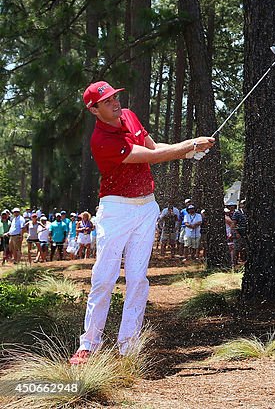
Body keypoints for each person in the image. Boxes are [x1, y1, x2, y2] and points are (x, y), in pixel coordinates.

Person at [70, 80, 215, 366]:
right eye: (108, 101)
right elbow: (149, 157)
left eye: (115, 97)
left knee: (137, 278)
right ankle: (89, 344)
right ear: (94, 109)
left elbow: (154, 146)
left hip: (146, 207)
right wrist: (188, 145)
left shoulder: (130, 117)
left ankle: (128, 345)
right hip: (116, 209)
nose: (115, 103)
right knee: (104, 278)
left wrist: (187, 152)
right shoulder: (101, 139)